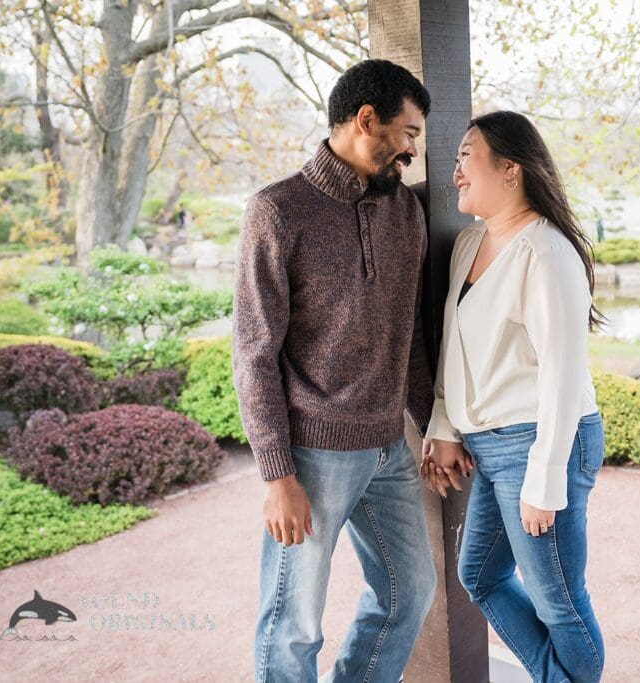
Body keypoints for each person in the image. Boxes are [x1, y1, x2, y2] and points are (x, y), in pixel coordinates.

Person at [231, 59, 437, 683]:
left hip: (388, 450)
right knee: (293, 625)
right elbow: (253, 352)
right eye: (407, 133)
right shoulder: (277, 211)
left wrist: (430, 426)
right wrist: (277, 474)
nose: (410, 150)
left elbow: (412, 338)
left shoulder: (406, 212)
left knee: (410, 595)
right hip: (312, 453)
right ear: (365, 120)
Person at [422, 110, 607, 683]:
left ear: (510, 170)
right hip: (492, 446)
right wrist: (445, 425)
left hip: (542, 441)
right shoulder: (470, 244)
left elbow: (562, 371)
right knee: (479, 574)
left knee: (560, 602)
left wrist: (545, 479)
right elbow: (454, 344)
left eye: (465, 155)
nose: (454, 171)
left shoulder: (546, 253)